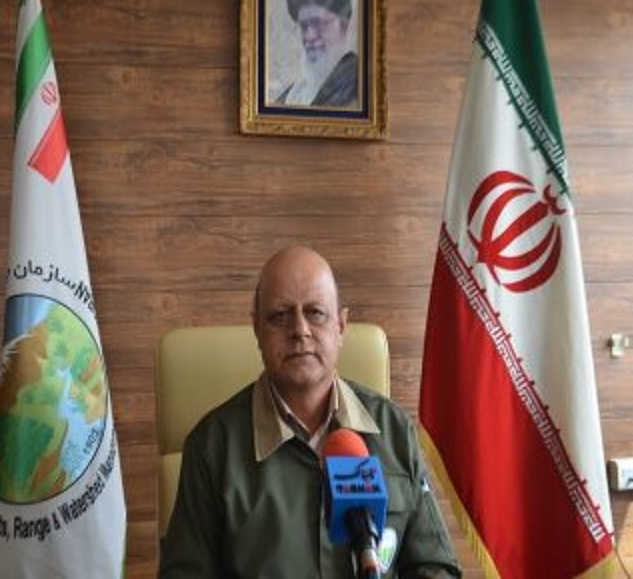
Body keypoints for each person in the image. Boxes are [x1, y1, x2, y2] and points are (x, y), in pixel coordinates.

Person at [159, 246, 462, 578]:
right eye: (280, 315)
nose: (300, 330)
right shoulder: (211, 448)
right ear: (257, 329)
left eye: (316, 313)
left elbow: (435, 566)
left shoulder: (394, 430)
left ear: (341, 326)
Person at [274, 0, 360, 108]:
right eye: (304, 26)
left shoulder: (359, 82)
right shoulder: (294, 93)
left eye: (319, 24)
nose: (310, 36)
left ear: (344, 25)